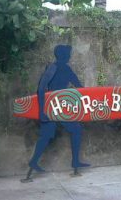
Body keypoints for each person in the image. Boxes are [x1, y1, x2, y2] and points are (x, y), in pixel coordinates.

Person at [29, 44, 90, 172]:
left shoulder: (67, 69)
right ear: (62, 55)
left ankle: (75, 161)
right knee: (46, 135)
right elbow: (41, 88)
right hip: (50, 106)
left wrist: (89, 99)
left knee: (76, 129)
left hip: (62, 106)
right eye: (67, 54)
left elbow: (79, 86)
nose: (69, 56)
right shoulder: (52, 68)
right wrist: (41, 111)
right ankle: (33, 162)